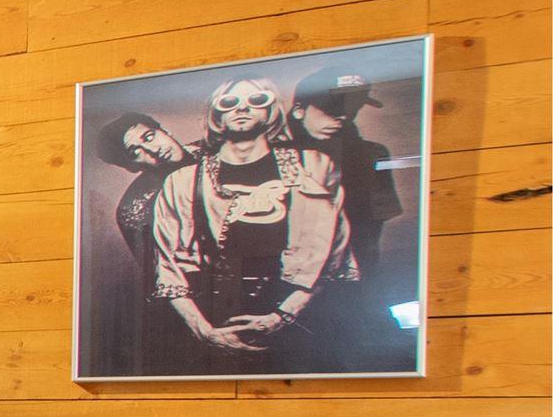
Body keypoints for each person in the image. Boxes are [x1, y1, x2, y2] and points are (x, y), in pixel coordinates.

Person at [147, 75, 350, 372]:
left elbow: (335, 256)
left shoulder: (313, 167)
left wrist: (284, 315)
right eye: (229, 102)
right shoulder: (182, 182)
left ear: (271, 110)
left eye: (256, 100)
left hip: (297, 323)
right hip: (214, 325)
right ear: (217, 114)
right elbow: (168, 270)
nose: (241, 108)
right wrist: (205, 331)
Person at [282, 63, 418, 372]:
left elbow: (370, 235)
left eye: (352, 107)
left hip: (353, 289)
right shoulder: (266, 156)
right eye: (332, 109)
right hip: (286, 289)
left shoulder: (371, 155)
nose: (343, 117)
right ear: (300, 110)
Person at [87, 111, 192, 371]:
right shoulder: (135, 210)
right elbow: (164, 281)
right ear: (130, 167)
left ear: (164, 130)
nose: (154, 150)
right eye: (136, 152)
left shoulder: (220, 149)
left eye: (150, 136)